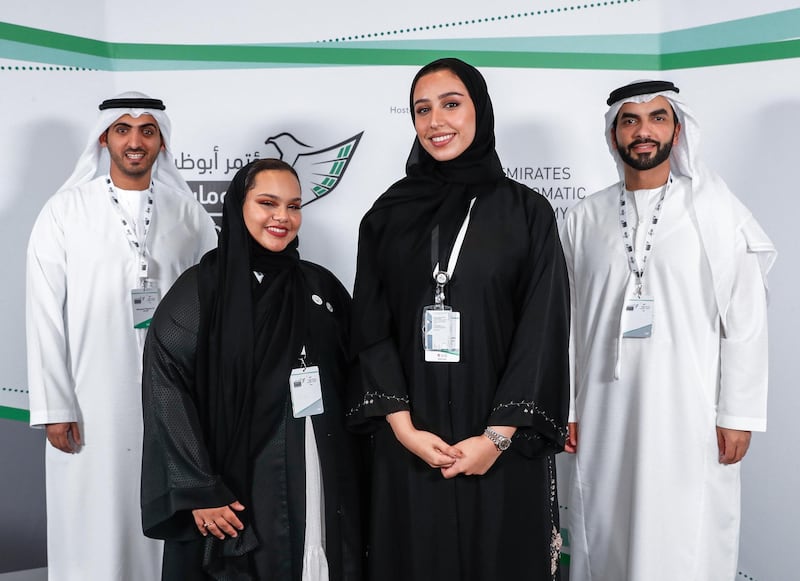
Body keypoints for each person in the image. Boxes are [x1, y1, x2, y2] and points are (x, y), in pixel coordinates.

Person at [348, 57, 570, 581]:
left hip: (500, 442)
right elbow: (370, 330)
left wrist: (495, 438)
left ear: (480, 110)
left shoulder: (526, 213)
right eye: (422, 110)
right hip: (412, 441)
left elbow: (542, 329)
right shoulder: (386, 216)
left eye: (451, 104)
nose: (435, 121)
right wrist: (403, 429)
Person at [562, 80, 777, 581]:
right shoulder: (582, 218)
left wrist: (738, 411)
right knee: (605, 526)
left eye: (657, 118)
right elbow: (566, 321)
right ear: (614, 134)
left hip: (690, 412)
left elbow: (745, 317)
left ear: (677, 130)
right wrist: (567, 406)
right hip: (602, 410)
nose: (643, 132)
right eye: (630, 121)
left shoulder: (716, 212)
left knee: (685, 536)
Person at [140, 159, 364, 580]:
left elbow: (358, 372)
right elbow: (166, 388)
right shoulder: (201, 290)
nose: (283, 217)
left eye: (294, 206)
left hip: (317, 464)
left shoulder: (320, 286)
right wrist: (198, 489)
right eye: (268, 203)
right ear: (238, 206)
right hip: (236, 481)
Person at [26, 92, 218, 580]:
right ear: (104, 138)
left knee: (162, 514)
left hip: (176, 399)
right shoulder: (64, 212)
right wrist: (56, 407)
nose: (135, 141)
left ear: (161, 141)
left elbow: (215, 309)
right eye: (123, 130)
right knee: (94, 512)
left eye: (147, 130)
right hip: (92, 396)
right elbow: (43, 313)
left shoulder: (188, 213)